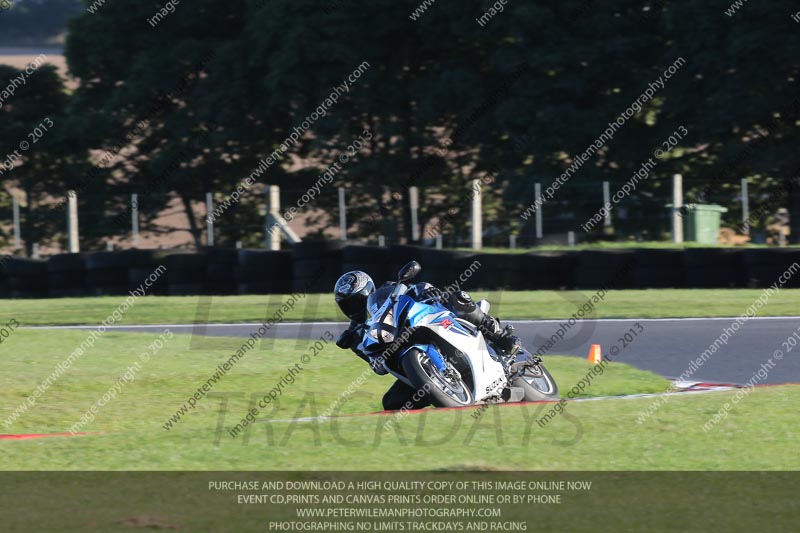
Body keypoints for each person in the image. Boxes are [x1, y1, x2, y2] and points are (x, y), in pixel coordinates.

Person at [333, 270, 522, 411]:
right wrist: (371, 358)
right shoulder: (356, 334)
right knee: (391, 403)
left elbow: (418, 286)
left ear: (367, 291)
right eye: (347, 304)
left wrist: (427, 290)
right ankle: (443, 393)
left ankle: (501, 336)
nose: (353, 307)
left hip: (426, 321)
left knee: (457, 297)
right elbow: (377, 366)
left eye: (356, 299)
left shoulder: (388, 290)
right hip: (405, 360)